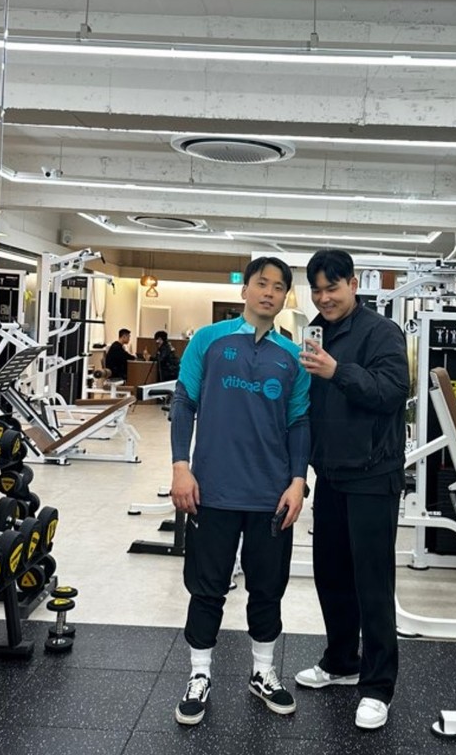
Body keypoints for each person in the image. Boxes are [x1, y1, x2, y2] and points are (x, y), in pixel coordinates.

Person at [169, 256, 311, 727]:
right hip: (212, 490)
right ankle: (199, 674)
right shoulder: (208, 341)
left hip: (271, 495)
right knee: (207, 587)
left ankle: (263, 672)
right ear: (244, 290)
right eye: (261, 283)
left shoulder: (292, 357)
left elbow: (299, 422)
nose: (269, 292)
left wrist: (298, 481)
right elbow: (184, 402)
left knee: (267, 589)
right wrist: (181, 467)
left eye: (278, 286)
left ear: (285, 296)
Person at [295, 249, 409, 731]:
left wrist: (336, 370)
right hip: (332, 474)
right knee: (332, 575)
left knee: (372, 584)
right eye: (317, 290)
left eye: (333, 288)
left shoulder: (382, 332)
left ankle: (378, 686)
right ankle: (342, 661)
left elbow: (392, 392)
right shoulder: (316, 332)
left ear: (354, 284)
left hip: (373, 475)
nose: (325, 298)